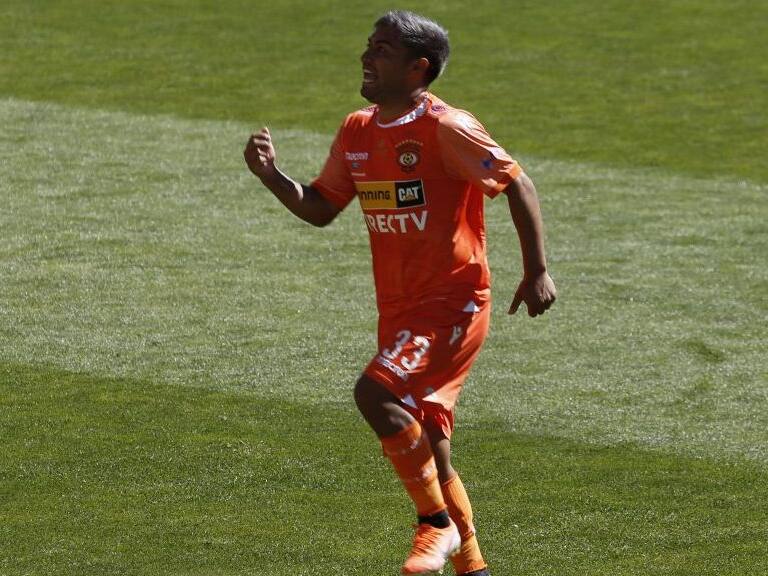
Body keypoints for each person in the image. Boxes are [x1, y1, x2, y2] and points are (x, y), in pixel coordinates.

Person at [244, 10, 556, 576]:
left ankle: (433, 526)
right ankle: (474, 568)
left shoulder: (445, 127)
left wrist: (536, 271)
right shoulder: (358, 130)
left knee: (374, 393)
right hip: (399, 310)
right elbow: (320, 208)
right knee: (434, 452)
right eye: (368, 46)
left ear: (419, 68)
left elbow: (517, 182)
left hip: (453, 304)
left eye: (382, 50)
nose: (367, 58)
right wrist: (271, 176)